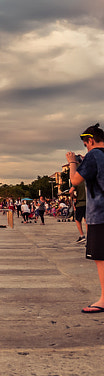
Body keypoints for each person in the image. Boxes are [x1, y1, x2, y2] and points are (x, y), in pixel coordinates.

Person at [70, 124, 104, 313]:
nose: (86, 148)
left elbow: (75, 180)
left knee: (101, 258)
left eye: (85, 144)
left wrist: (73, 162)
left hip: (100, 214)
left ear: (90, 140)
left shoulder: (94, 155)